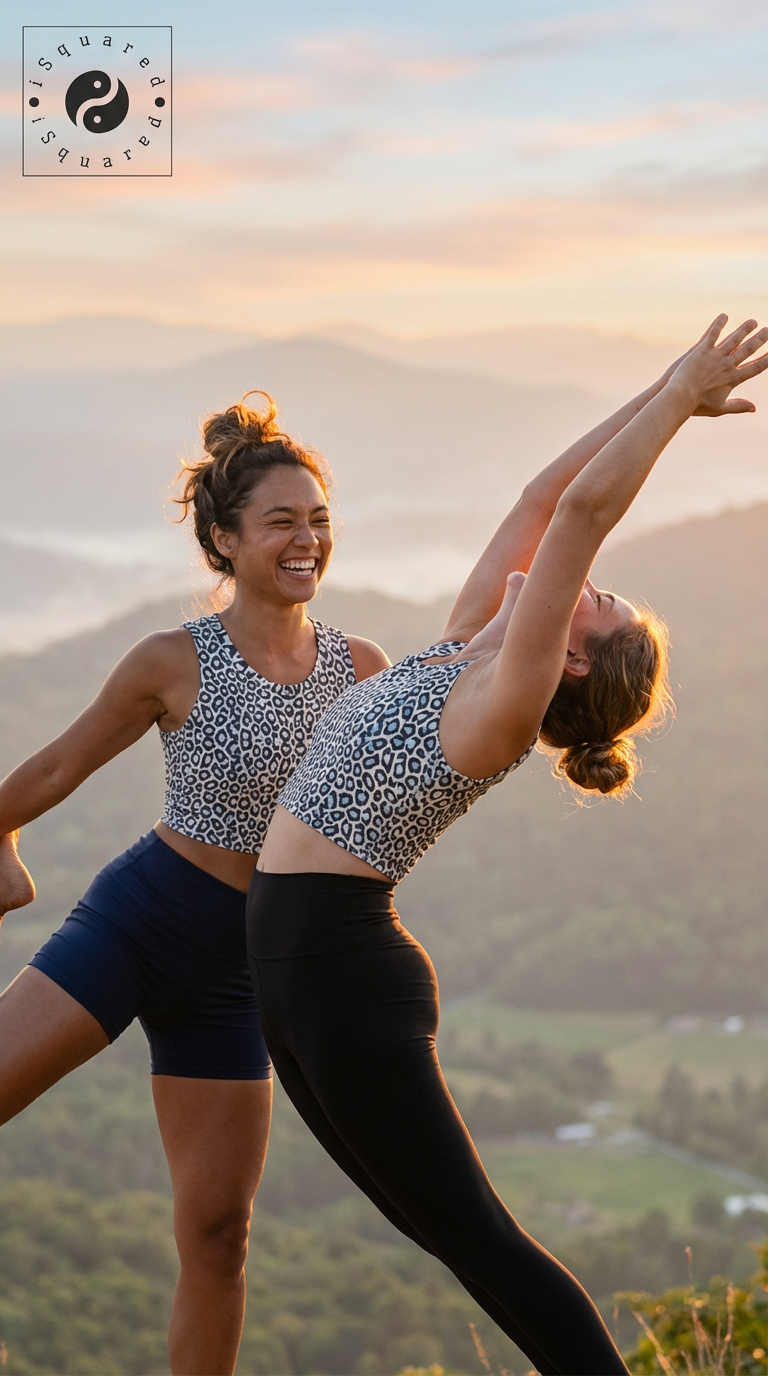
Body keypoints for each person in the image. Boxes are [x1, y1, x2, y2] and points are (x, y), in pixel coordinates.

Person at [247, 316, 768, 1376]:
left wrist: (676, 400)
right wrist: (666, 388)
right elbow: (545, 499)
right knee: (450, 1234)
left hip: (343, 972)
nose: (580, 575)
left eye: (597, 597)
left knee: (484, 1241)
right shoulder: (462, 650)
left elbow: (583, 510)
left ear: (571, 661)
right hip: (294, 968)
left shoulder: (501, 702)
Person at [0, 394, 389, 1376]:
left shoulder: (362, 667)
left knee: (219, 1236)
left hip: (245, 967)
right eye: (281, 521)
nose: (307, 540)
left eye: (319, 520)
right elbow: (54, 769)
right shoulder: (172, 659)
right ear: (223, 536)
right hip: (144, 917)